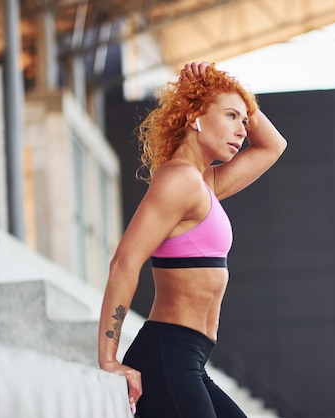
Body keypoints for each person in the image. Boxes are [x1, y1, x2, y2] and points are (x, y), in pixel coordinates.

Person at [97, 61, 287, 418]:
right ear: (194, 115)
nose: (242, 130)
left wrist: (236, 94)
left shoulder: (204, 184)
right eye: (231, 116)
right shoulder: (179, 181)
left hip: (190, 360)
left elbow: (272, 146)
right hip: (167, 356)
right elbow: (124, 261)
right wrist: (108, 359)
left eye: (243, 121)